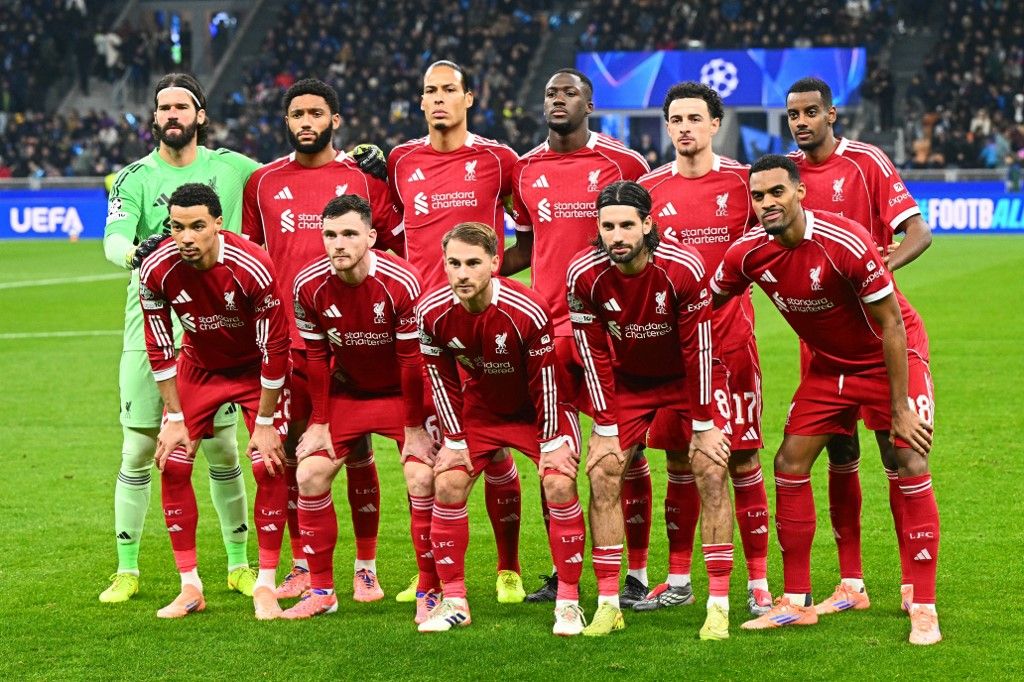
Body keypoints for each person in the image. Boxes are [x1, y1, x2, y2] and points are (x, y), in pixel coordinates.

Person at [714, 155, 940, 646]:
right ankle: (796, 602)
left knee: (908, 456)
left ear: (800, 193)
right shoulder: (747, 253)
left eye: (777, 192)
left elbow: (892, 324)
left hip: (887, 358)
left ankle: (923, 605)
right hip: (828, 366)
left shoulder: (845, 241)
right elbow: (705, 301)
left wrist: (900, 406)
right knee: (790, 462)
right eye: (758, 196)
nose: (768, 203)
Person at [100, 73, 260, 604]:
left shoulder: (233, 169)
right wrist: (134, 253)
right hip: (148, 329)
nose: (172, 114)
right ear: (154, 118)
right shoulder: (134, 177)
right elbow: (114, 236)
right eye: (163, 106)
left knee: (221, 446)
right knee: (141, 447)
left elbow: (295, 178)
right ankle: (127, 569)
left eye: (182, 106)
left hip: (220, 332)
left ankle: (238, 564)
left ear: (201, 115)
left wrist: (351, 158)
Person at [242, 77, 401, 602]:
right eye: (296, 114)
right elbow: (252, 258)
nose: (305, 122)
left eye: (316, 113)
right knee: (291, 454)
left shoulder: (363, 179)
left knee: (356, 453)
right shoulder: (262, 183)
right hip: (287, 343)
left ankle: (366, 566)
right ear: (286, 122)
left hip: (354, 341)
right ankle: (305, 565)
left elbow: (394, 245)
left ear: (335, 120)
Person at [501, 68, 652, 605]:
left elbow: (645, 243)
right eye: (550, 92)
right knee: (555, 453)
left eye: (569, 92)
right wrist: (475, 270)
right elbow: (524, 245)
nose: (557, 99)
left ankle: (635, 573)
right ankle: (563, 570)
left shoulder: (624, 164)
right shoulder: (525, 168)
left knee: (625, 454)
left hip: (609, 329)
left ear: (590, 102)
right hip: (545, 330)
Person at [786, 77, 932, 613]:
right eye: (793, 114)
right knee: (838, 453)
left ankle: (914, 581)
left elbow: (918, 232)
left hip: (875, 333)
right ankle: (851, 583)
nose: (801, 122)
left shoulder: (865, 162)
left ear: (832, 115)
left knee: (895, 453)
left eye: (810, 112)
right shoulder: (786, 174)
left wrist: (879, 268)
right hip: (820, 341)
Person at [567, 181, 733, 639]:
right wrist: (603, 424)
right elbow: (593, 352)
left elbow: (698, 348)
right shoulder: (584, 274)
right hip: (628, 383)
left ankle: (717, 603)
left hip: (686, 376)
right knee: (601, 471)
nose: (616, 236)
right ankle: (606, 603)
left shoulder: (682, 267)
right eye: (607, 227)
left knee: (711, 467)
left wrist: (703, 424)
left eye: (625, 225)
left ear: (647, 224)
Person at [388, 60, 526, 603]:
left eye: (449, 90)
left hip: (485, 330)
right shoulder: (400, 160)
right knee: (425, 456)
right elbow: (387, 234)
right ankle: (428, 576)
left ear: (469, 97)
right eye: (429, 91)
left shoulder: (499, 160)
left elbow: (530, 237)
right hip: (425, 333)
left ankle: (508, 567)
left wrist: (482, 284)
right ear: (420, 102)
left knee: (492, 450)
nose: (438, 99)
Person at [634, 82, 772, 617]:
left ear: (716, 124)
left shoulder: (744, 183)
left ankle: (757, 582)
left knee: (742, 458)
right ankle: (676, 579)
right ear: (667, 127)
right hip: (672, 356)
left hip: (732, 347)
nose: (685, 127)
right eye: (676, 119)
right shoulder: (647, 190)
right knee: (678, 461)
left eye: (695, 118)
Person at [417, 222, 586, 635]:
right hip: (481, 413)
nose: (462, 273)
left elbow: (546, 381)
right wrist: (454, 442)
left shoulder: (527, 309)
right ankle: (455, 601)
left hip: (540, 410)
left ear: (495, 263)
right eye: (454, 263)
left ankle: (568, 602)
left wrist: (551, 442)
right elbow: (441, 381)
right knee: (447, 483)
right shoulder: (432, 312)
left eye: (473, 263)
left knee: (559, 484)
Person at [139, 183, 292, 620]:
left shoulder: (253, 267)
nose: (185, 237)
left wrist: (264, 421)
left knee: (270, 461)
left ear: (218, 225)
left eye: (197, 227)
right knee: (172, 459)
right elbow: (159, 345)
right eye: (177, 227)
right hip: (199, 367)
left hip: (252, 369)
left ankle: (265, 584)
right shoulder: (156, 269)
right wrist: (172, 416)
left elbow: (274, 347)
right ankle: (190, 586)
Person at [281, 195, 437, 620]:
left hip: (404, 394)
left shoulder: (401, 281)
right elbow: (315, 357)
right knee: (309, 473)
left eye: (349, 234)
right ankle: (322, 592)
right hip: (349, 392)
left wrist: (415, 428)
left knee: (421, 478)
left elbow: (411, 361)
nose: (338, 244)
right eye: (330, 235)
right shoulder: (308, 284)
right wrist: (319, 423)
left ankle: (430, 588)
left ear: (371, 237)